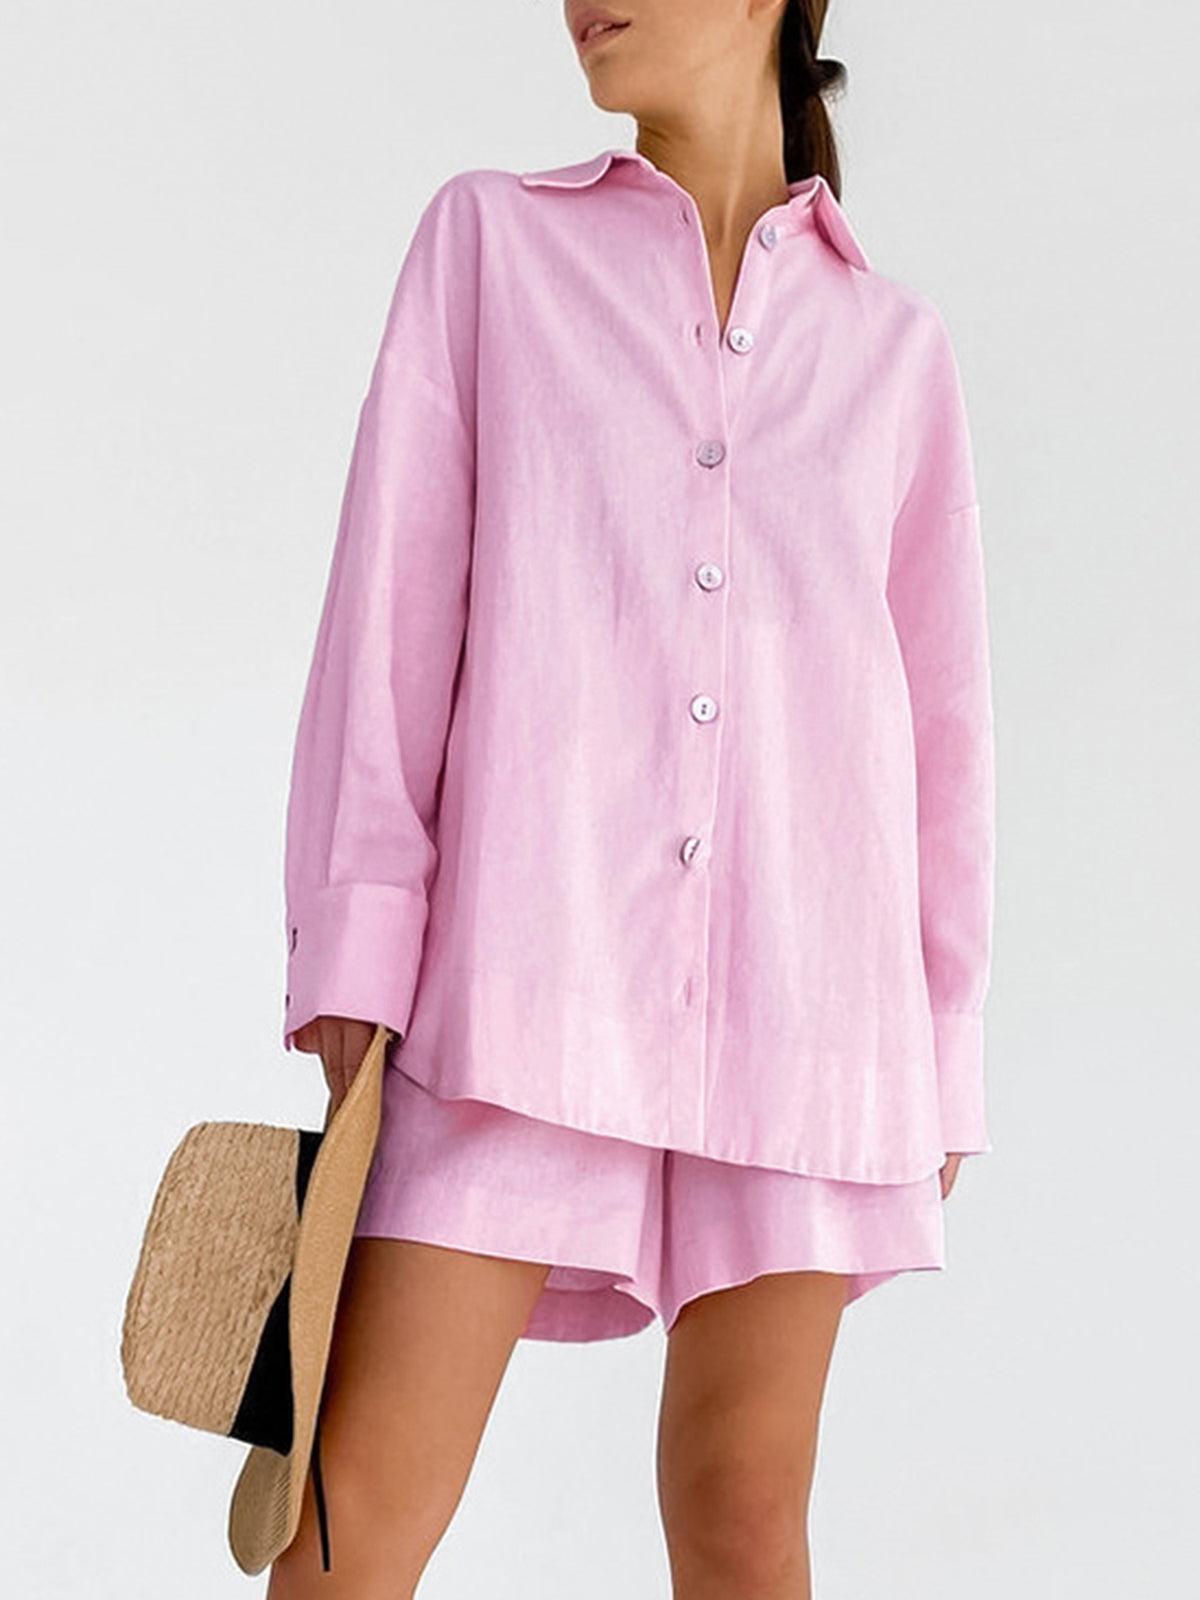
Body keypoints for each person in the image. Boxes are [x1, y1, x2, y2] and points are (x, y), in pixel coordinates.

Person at [267, 1, 996, 1595]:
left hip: (812, 1011)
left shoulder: (896, 351)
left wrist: (943, 1053)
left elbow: (938, 731)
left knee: (742, 1519)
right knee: (351, 1515)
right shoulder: (491, 251)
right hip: (521, 983)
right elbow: (390, 619)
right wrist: (359, 947)